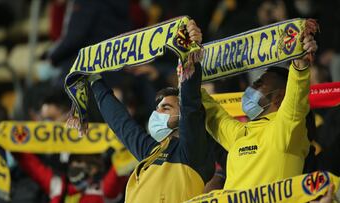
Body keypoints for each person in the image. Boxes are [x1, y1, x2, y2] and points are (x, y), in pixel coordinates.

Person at [89, 20, 215, 202]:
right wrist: (93, 79)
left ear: (182, 116)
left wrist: (187, 49)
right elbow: (120, 122)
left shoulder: (193, 151)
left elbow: (190, 103)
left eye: (166, 107)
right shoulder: (151, 152)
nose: (157, 113)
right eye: (157, 108)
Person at [201, 34, 318, 190]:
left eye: (259, 84)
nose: (250, 88)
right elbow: (209, 108)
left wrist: (300, 62)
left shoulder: (288, 128)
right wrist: (188, 71)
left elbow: (297, 93)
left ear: (279, 96)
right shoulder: (239, 133)